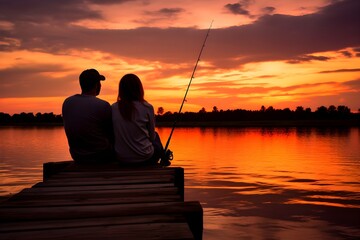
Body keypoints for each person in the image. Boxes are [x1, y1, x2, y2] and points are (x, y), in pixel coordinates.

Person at [111, 73, 172, 166]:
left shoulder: (113, 108)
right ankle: (164, 158)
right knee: (156, 135)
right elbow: (152, 137)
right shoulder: (147, 107)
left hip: (121, 158)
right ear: (139, 89)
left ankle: (163, 156)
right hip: (146, 158)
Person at [62, 68, 114, 163]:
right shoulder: (103, 105)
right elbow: (111, 134)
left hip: (77, 156)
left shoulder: (67, 102)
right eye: (99, 83)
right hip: (101, 156)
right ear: (97, 85)